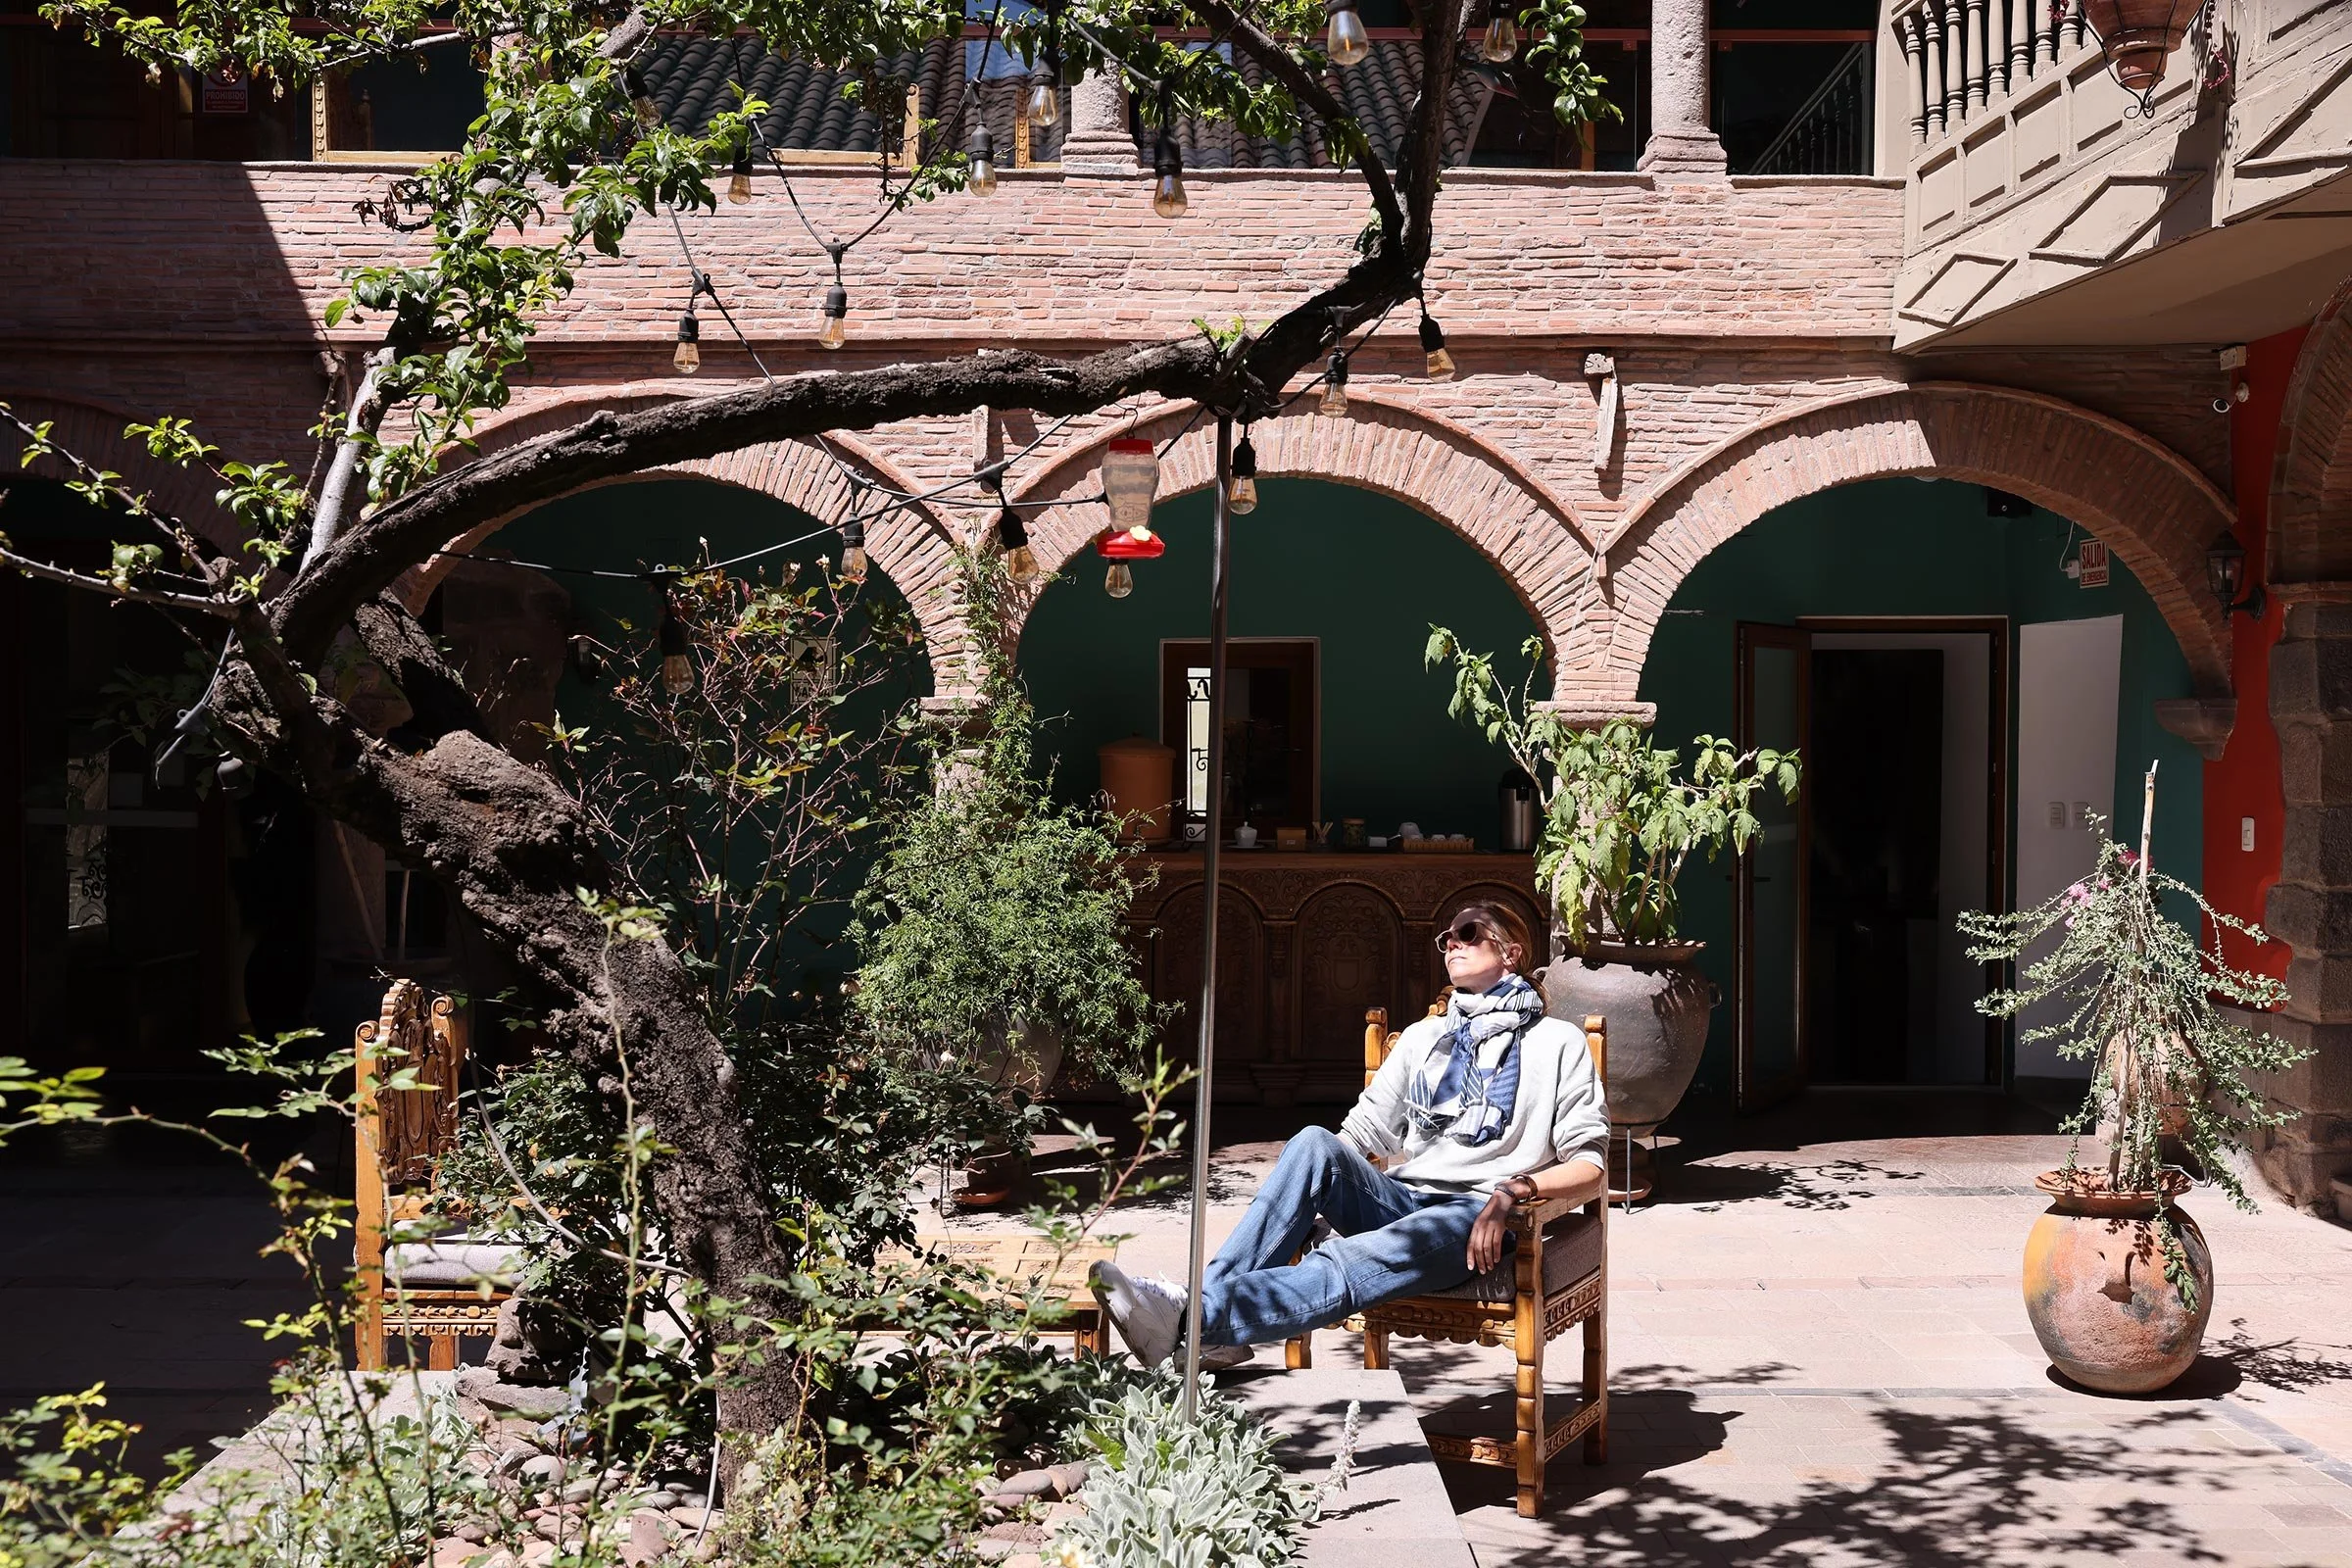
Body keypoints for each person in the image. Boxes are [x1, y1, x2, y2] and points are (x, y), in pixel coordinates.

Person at [1091, 901, 1609, 1367]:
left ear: (1511, 952)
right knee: (1316, 1142)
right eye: (1446, 937)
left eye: (1468, 933)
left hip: (1471, 1217)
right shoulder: (1427, 1037)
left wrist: (1513, 1191)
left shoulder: (1557, 1043)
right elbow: (1362, 1133)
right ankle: (1207, 1317)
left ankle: (1191, 1315)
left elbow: (1590, 1163)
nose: (1452, 943)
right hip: (1405, 1196)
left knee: (1352, 1256)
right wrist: (1314, 1199)